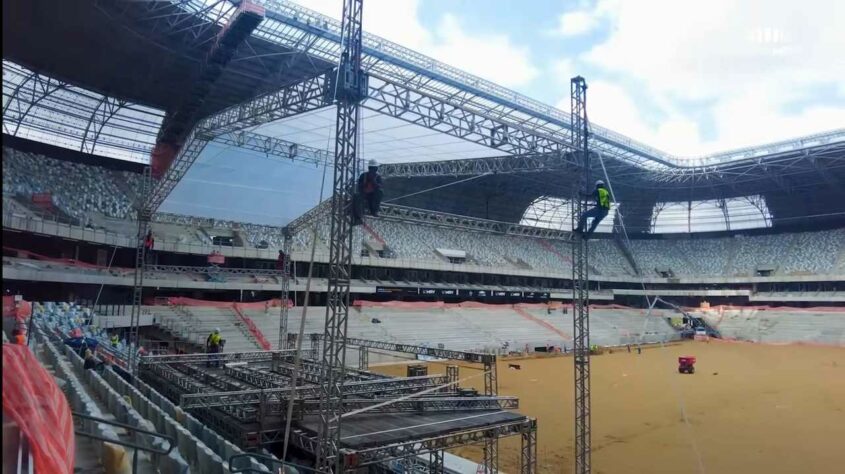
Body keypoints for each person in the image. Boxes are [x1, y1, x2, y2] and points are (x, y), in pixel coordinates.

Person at [354, 159, 383, 224]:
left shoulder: (378, 177)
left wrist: (374, 182)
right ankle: (357, 218)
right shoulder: (363, 175)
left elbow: (380, 186)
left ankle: (374, 211)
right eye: (371, 168)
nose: (372, 170)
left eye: (374, 169)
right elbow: (359, 186)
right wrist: (364, 184)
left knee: (380, 192)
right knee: (356, 196)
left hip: (372, 195)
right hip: (364, 194)